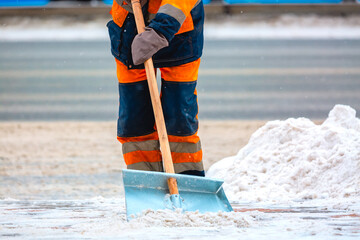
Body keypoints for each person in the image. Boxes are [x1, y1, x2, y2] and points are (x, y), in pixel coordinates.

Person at [107, 0, 205, 176]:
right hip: (129, 31)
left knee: (179, 120)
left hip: (180, 35)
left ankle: (186, 180)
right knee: (135, 122)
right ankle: (145, 179)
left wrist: (160, 30)